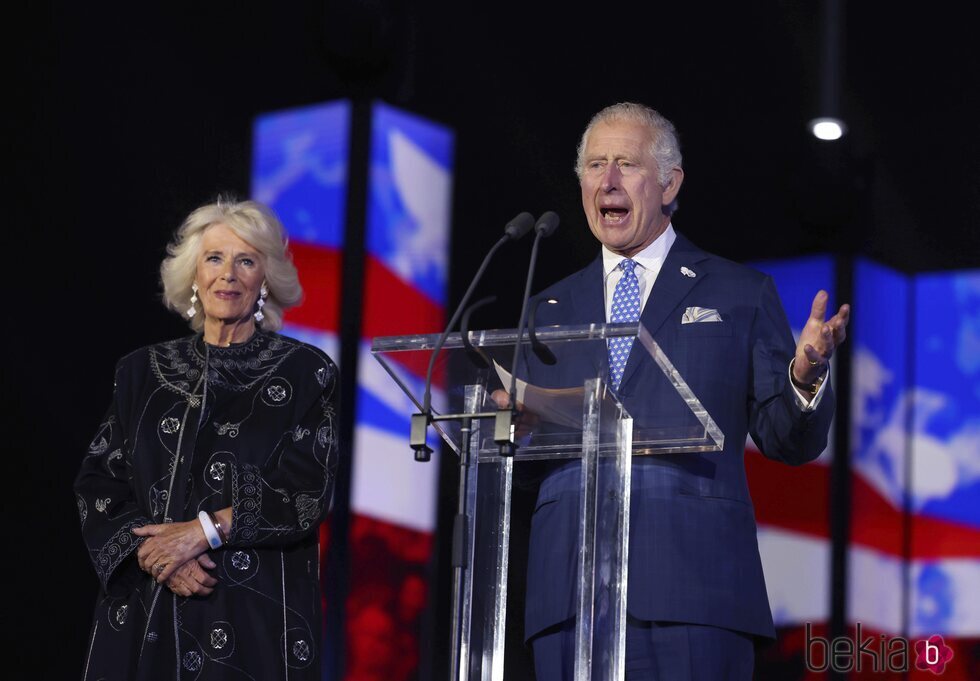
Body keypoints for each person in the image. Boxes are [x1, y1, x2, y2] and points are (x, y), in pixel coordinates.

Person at [520, 103, 850, 679]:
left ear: (670, 182)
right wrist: (508, 425)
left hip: (694, 593)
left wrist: (805, 375)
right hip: (567, 595)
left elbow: (785, 439)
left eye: (627, 163)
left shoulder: (738, 292)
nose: (609, 180)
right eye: (596, 165)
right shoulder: (546, 308)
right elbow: (524, 457)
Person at [74, 198, 339, 680]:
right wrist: (160, 560)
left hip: (249, 613)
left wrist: (202, 531)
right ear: (193, 275)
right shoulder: (139, 373)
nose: (228, 274)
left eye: (246, 260)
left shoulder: (306, 372)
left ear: (265, 279)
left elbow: (305, 491)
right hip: (144, 608)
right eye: (214, 258)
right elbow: (99, 484)